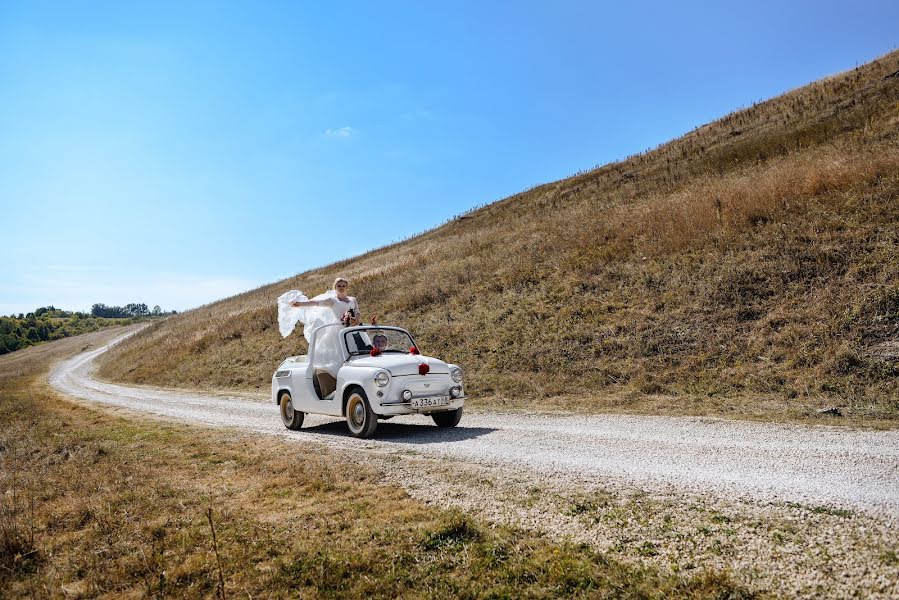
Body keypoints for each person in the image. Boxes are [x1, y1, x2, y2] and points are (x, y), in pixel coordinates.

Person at [276, 277, 362, 379]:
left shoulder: (352, 299)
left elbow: (357, 312)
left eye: (343, 286)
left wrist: (355, 319)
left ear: (347, 287)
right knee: (338, 355)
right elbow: (315, 303)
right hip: (336, 331)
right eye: (339, 286)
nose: (341, 288)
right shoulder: (332, 301)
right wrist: (299, 304)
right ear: (335, 287)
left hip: (350, 330)